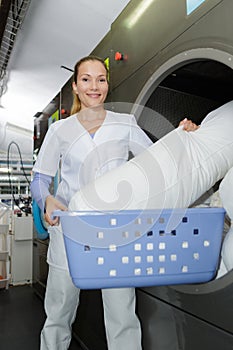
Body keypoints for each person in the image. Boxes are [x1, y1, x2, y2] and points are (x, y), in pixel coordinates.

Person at [30, 55, 198, 350]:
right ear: (76, 86)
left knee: (122, 316)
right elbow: (40, 178)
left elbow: (155, 161)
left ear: (108, 84)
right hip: (69, 230)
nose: (94, 86)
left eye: (101, 79)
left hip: (115, 231)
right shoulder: (60, 130)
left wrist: (181, 135)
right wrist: (47, 199)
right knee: (58, 312)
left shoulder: (125, 123)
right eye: (86, 79)